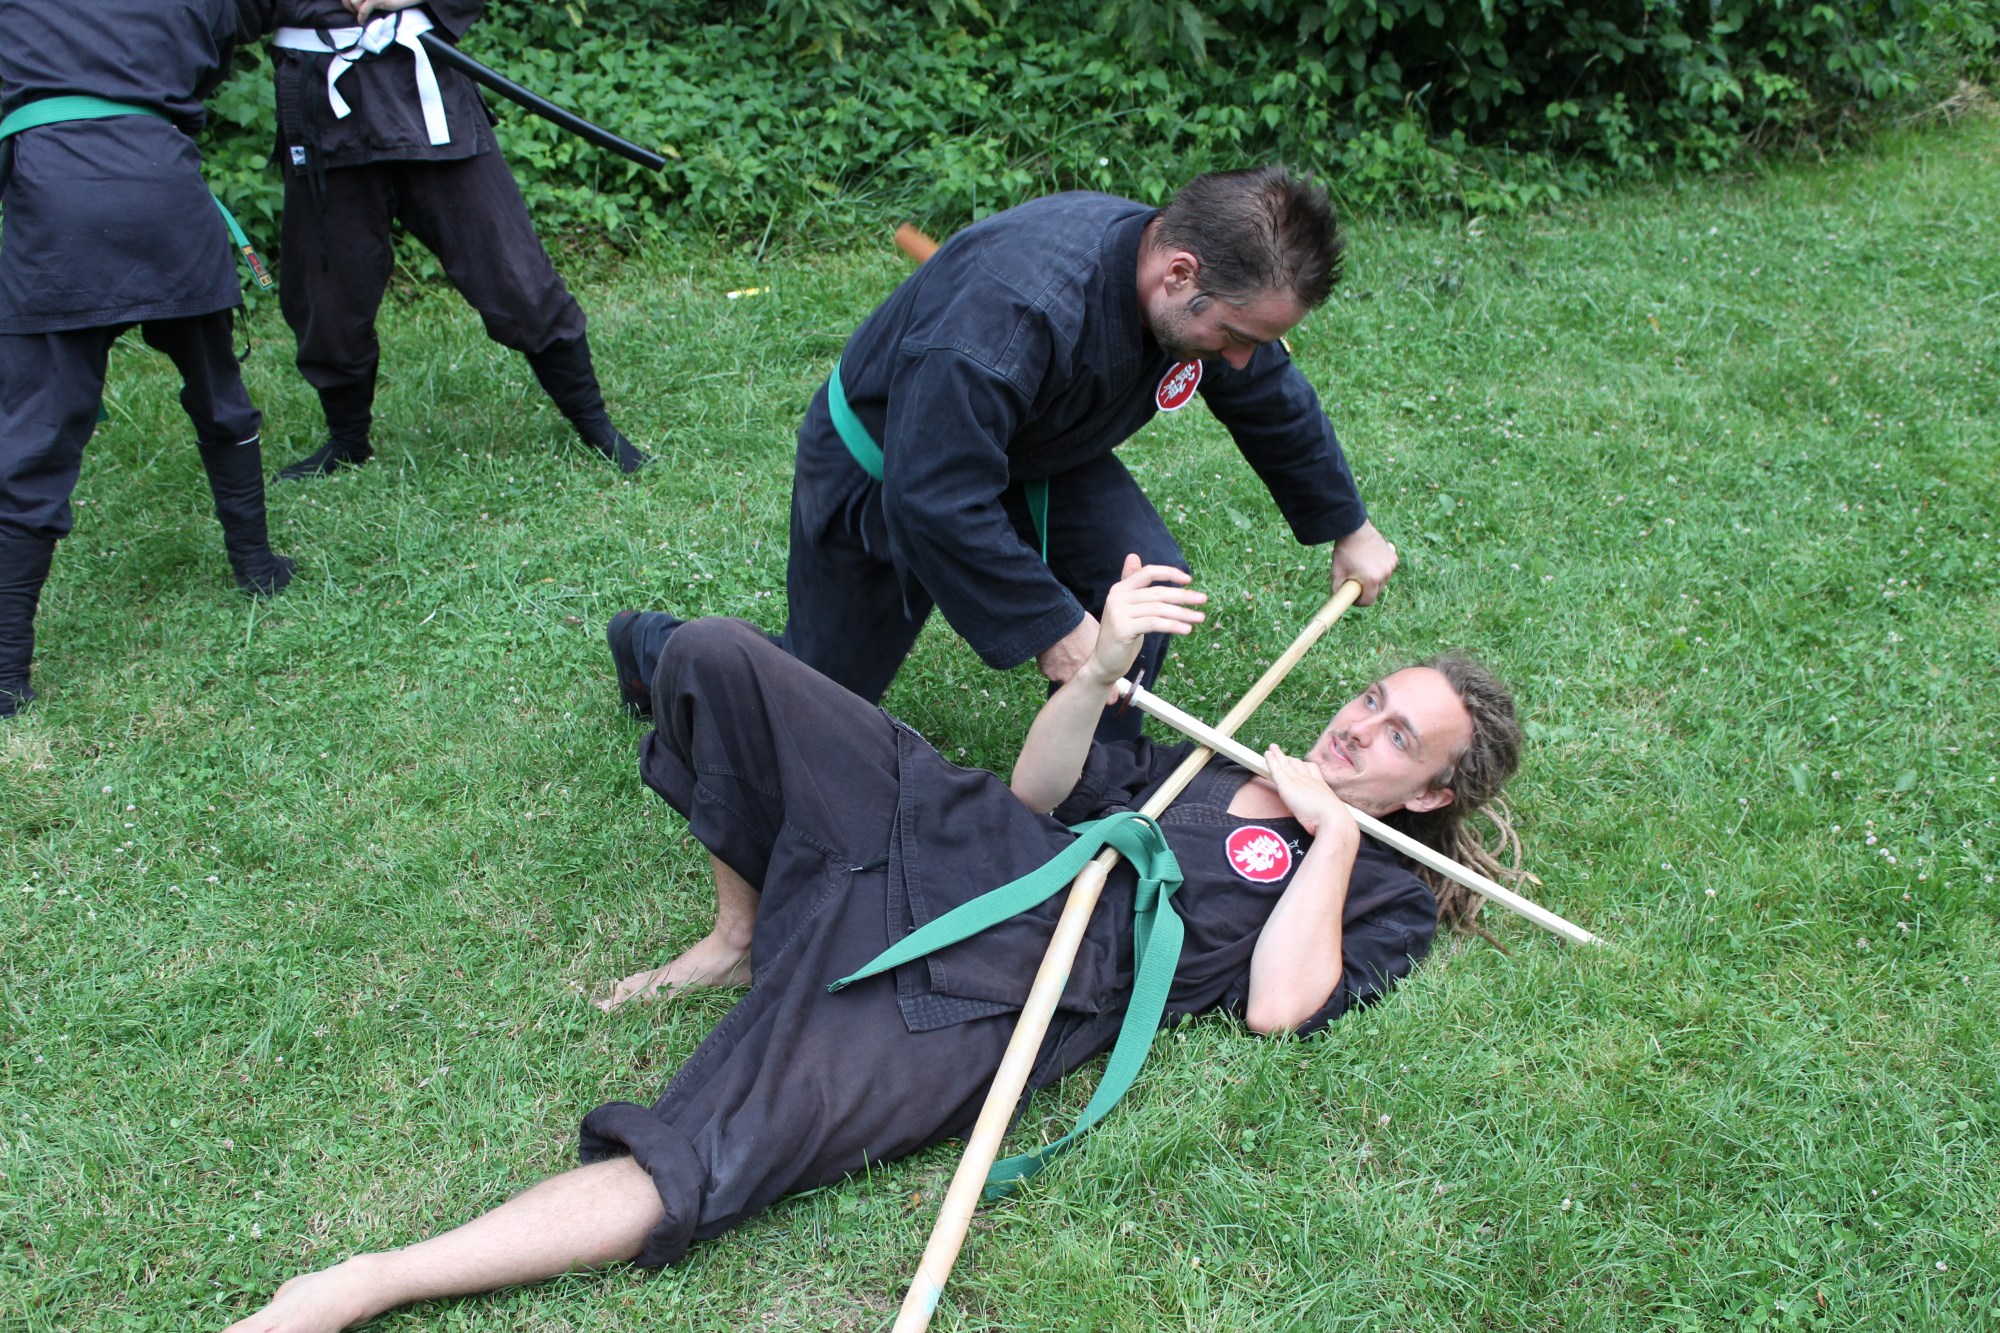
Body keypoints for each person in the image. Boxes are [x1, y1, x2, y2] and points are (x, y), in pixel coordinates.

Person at [221, 558, 1527, 1332]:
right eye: (1371, 698)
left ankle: (366, 1283)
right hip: (961, 837)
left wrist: (1331, 832)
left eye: (1396, 739)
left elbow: (1278, 1008)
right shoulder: (1223, 749)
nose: (1356, 728)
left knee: (716, 1156)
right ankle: (741, 934)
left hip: (1008, 985)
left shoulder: (1380, 889)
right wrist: (1093, 673)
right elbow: (1035, 795)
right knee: (719, 659)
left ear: (1429, 794)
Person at [763, 164, 1399, 741]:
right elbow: (931, 494)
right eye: (1234, 336)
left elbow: (1266, 392)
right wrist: (1054, 626)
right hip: (892, 460)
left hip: (1037, 446)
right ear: (1180, 273)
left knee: (1140, 593)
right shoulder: (1010, 316)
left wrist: (1349, 525)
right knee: (816, 701)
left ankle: (1093, 791)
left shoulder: (1190, 284)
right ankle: (700, 684)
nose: (1239, 359)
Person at [0, 0, 294, 720]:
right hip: (164, 190)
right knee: (219, 392)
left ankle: (5, 673)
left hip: (56, 202)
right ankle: (257, 568)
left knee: (35, 439)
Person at [264, 0, 647, 478]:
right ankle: (347, 439)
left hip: (426, 96)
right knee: (327, 295)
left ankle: (594, 423)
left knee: (514, 272)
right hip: (320, 110)